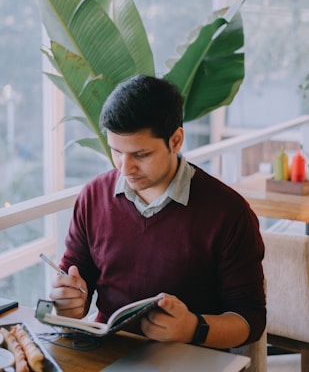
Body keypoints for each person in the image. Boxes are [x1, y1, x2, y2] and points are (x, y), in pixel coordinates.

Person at [50, 74, 266, 349]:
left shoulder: (228, 212)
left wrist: (192, 328)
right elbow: (75, 281)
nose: (125, 168)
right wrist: (68, 303)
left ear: (175, 141)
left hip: (192, 359)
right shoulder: (93, 197)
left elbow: (250, 319)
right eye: (116, 151)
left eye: (141, 155)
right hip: (108, 353)